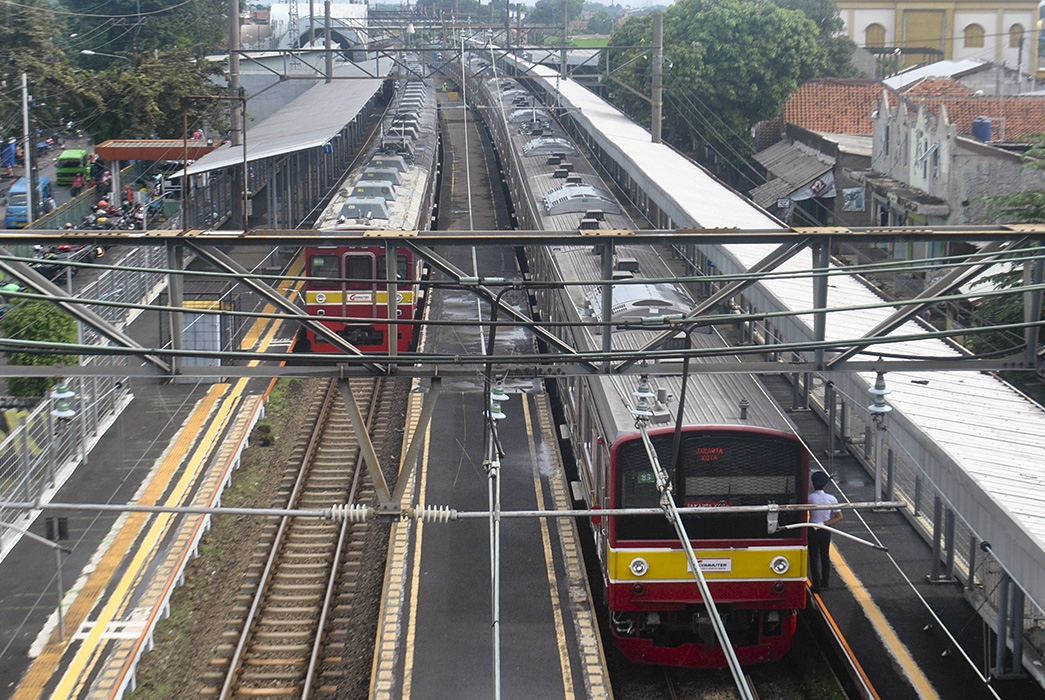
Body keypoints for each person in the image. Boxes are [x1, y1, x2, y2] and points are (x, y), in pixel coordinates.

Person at [808, 471, 842, 593]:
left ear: (813, 483)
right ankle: (825, 581)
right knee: (825, 555)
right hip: (826, 529)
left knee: (814, 557)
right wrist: (824, 523)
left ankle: (816, 585)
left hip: (812, 529)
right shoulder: (831, 498)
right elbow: (839, 517)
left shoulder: (809, 498)